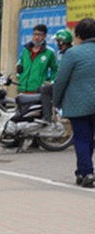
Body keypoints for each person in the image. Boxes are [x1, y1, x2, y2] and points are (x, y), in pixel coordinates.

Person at [52, 18, 95, 188]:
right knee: (88, 140)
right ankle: (83, 171)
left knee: (83, 139)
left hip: (79, 104)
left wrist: (57, 101)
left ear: (78, 36)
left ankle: (86, 172)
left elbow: (61, 80)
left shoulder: (73, 53)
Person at [16, 24, 58, 94]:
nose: (37, 37)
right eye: (35, 34)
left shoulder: (49, 53)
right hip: (22, 89)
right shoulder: (25, 50)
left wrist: (50, 82)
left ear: (44, 36)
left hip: (38, 90)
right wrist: (19, 76)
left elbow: (55, 70)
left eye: (40, 35)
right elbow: (20, 65)